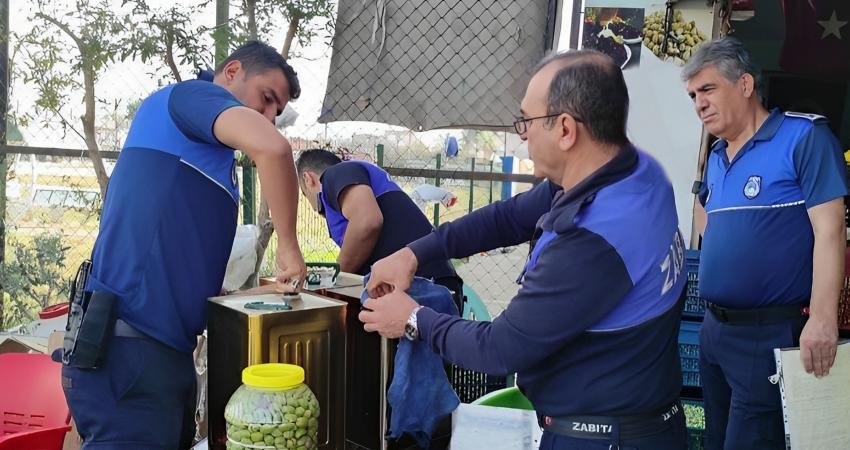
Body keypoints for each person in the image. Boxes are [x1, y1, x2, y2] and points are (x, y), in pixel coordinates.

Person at [360, 50, 689, 450]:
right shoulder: (636, 173)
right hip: (639, 420)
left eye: (526, 122)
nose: (522, 134)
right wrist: (413, 253)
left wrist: (413, 318)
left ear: (566, 129)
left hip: (603, 437)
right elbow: (509, 217)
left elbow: (500, 348)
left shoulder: (593, 238)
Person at [59, 40, 308, 449]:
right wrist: (289, 246)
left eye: (276, 113)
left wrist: (257, 292)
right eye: (266, 99)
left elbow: (189, 280)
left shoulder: (208, 163)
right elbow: (275, 148)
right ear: (231, 72)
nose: (268, 117)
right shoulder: (188, 98)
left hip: (163, 356)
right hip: (129, 353)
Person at [682, 37, 847, 450]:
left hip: (767, 330)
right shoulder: (718, 157)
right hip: (715, 332)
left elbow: (830, 232)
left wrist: (823, 319)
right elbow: (706, 220)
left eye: (708, 89)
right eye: (692, 95)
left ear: (744, 84)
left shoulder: (803, 138)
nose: (699, 103)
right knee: (720, 440)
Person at [295, 148, 464, 310]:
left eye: (305, 194)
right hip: (435, 284)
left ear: (308, 179)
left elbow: (367, 221)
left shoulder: (335, 174)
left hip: (424, 287)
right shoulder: (359, 180)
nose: (314, 209)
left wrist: (336, 278)